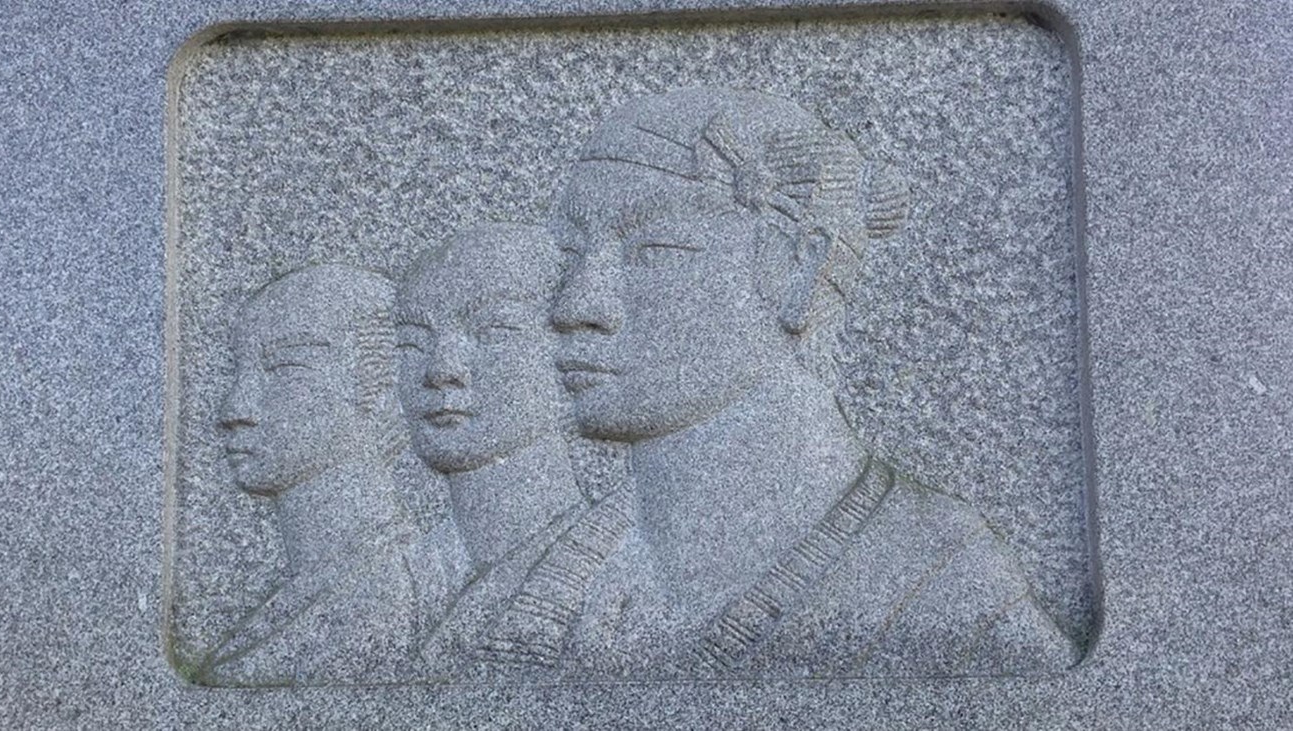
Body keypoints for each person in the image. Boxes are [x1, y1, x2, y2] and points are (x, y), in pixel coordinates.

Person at [550, 87, 1076, 677]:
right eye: (568, 256)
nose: (575, 305)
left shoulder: (938, 581)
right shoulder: (549, 578)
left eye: (652, 250)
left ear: (800, 266)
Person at [197, 264, 463, 686]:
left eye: (283, 368)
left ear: (384, 392)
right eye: (240, 372)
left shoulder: (391, 596)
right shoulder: (318, 592)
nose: (235, 411)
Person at [395, 223, 632, 679]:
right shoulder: (406, 575)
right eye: (412, 343)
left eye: (493, 330)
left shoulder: (611, 575)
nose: (443, 370)